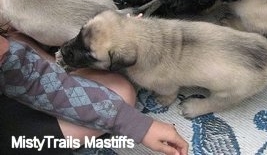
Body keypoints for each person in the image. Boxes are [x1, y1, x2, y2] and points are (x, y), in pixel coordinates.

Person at [0, 28, 188, 155]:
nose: (4, 47)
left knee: (118, 91)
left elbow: (35, 79)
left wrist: (136, 124)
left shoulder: (7, 52)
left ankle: (46, 58)